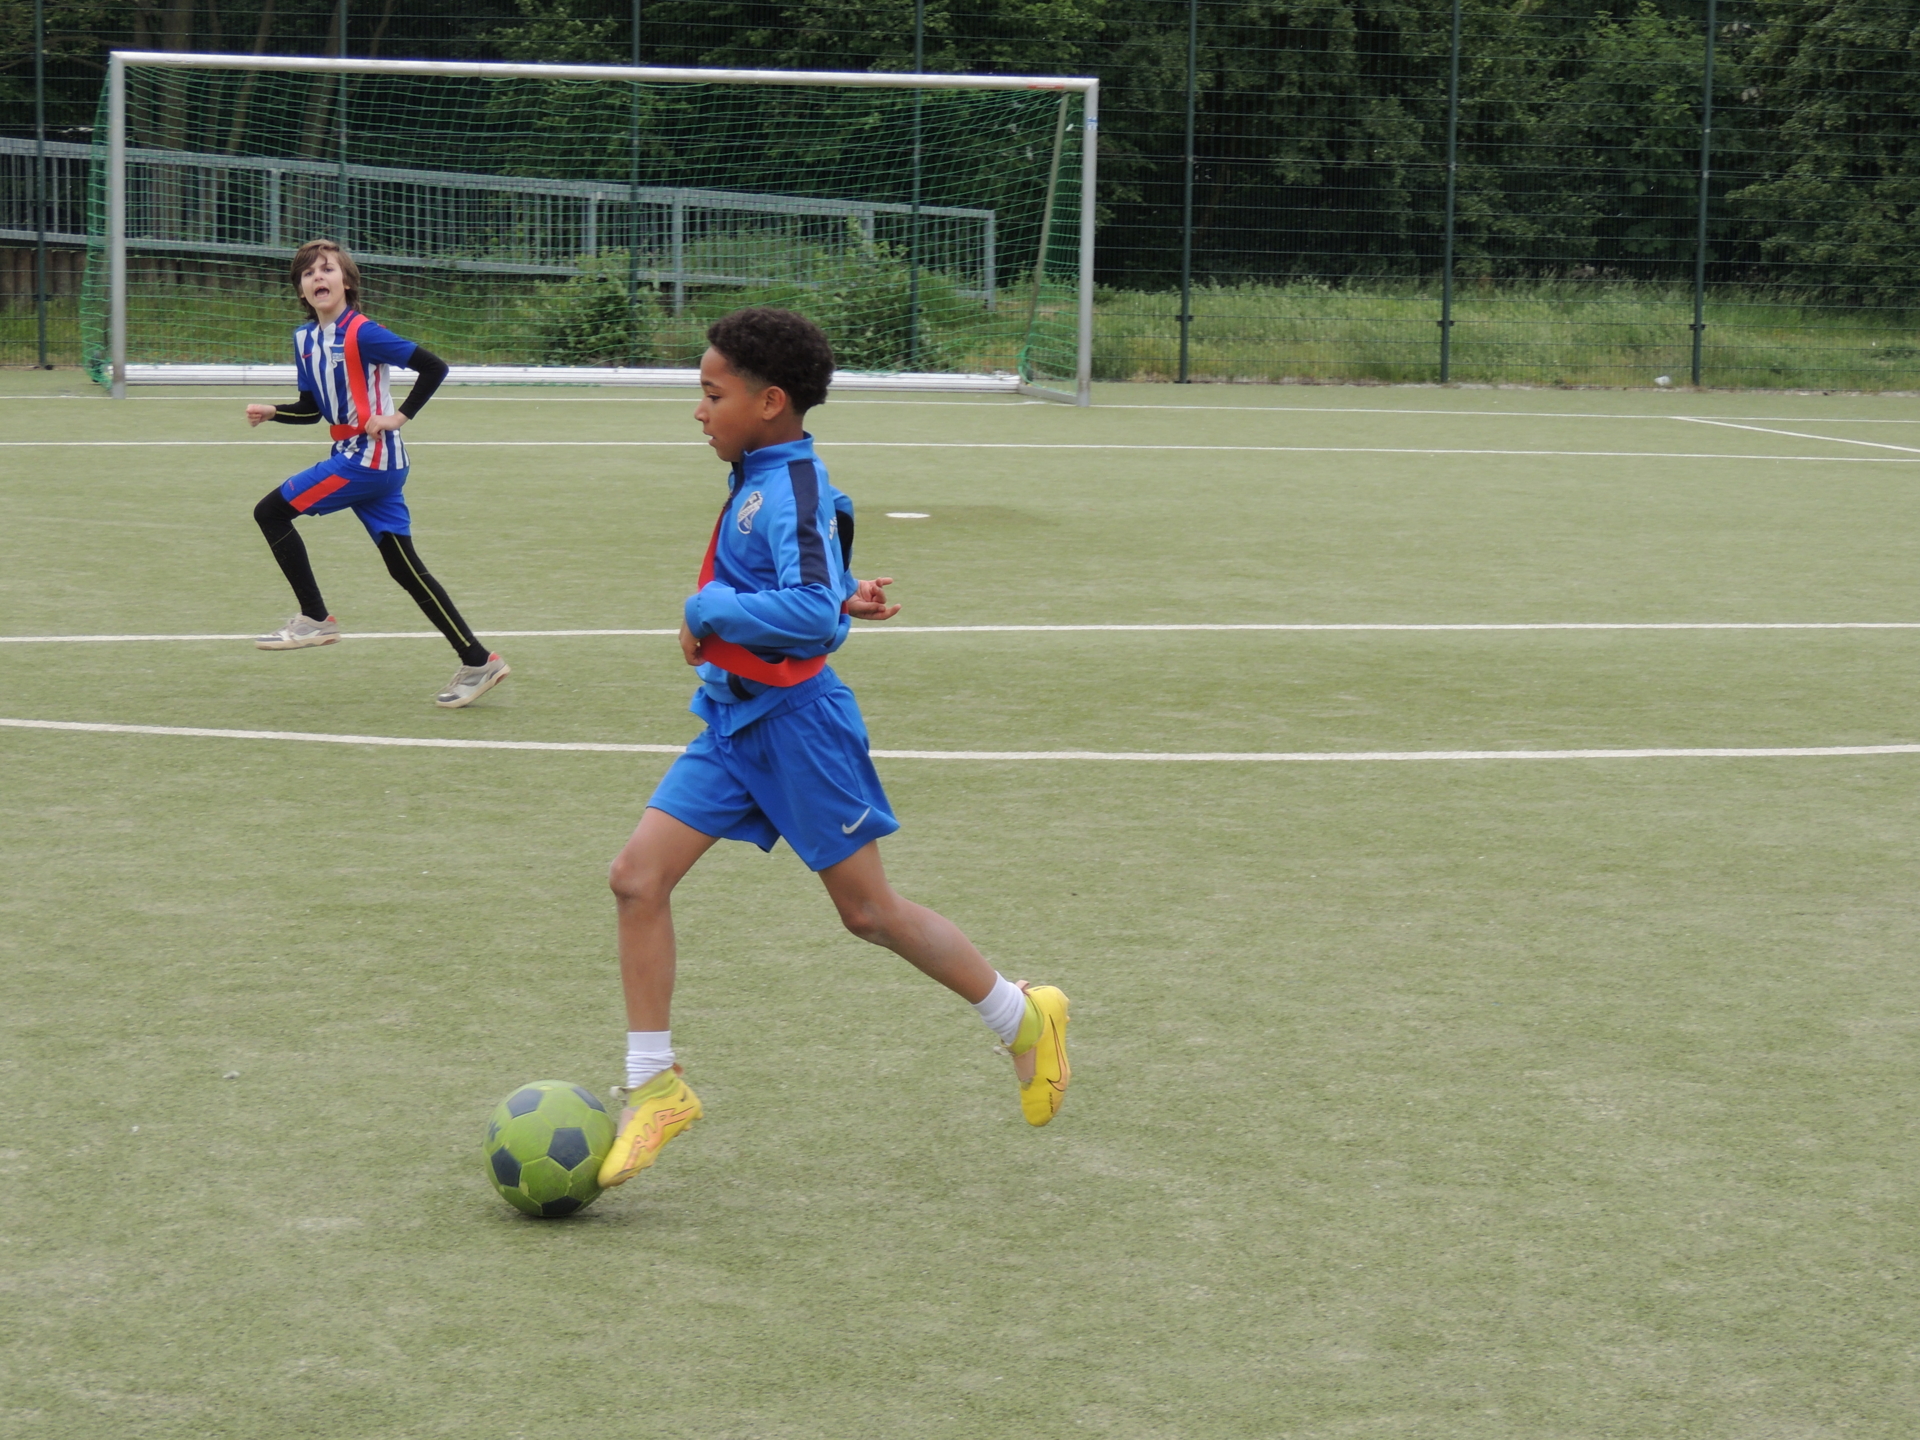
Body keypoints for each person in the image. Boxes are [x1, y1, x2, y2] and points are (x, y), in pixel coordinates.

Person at [596, 307, 1070, 1188]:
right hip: (733, 724)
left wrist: (709, 610)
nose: (699, 410)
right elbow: (811, 588)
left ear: (770, 402)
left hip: (800, 730)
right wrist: (842, 591)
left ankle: (1022, 1016)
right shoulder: (758, 475)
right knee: (635, 878)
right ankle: (653, 1085)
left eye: (713, 395)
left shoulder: (792, 483)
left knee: (869, 914)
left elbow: (808, 616)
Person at [244, 239, 509, 709]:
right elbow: (311, 409)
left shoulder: (363, 332)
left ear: (347, 282)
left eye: (328, 269)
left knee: (270, 512)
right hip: (368, 461)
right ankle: (478, 660)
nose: (318, 277)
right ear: (301, 290)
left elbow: (433, 367)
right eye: (308, 273)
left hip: (368, 461)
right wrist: (274, 411)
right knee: (404, 568)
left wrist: (398, 417)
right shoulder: (304, 340)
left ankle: (315, 618)